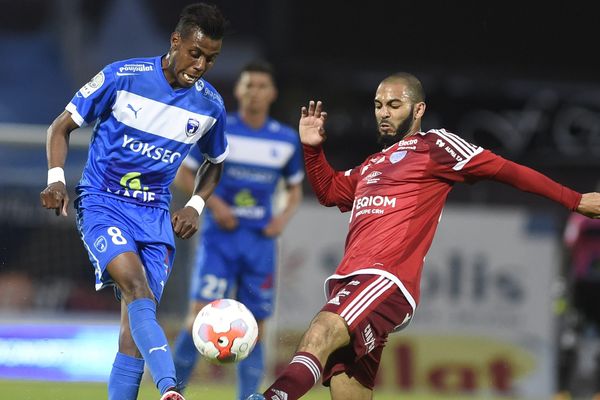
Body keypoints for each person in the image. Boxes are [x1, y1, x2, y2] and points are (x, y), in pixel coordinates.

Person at [246, 72, 600, 400]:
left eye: (394, 105)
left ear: (418, 109)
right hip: (352, 280)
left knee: (320, 331)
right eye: (378, 105)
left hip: (385, 280)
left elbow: (506, 170)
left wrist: (574, 199)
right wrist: (312, 148)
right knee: (347, 389)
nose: (384, 113)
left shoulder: (436, 146)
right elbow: (331, 192)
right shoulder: (373, 163)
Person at [39, 3, 229, 400]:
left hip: (155, 215)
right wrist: (56, 179)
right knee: (136, 287)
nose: (200, 65)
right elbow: (61, 127)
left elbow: (216, 162)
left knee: (131, 337)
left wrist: (195, 204)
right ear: (175, 41)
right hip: (102, 202)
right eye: (195, 53)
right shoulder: (122, 77)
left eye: (210, 59)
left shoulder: (210, 105)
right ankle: (170, 389)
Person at [171, 60, 304, 400]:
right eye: (249, 85)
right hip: (219, 239)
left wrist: (282, 218)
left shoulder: (286, 140)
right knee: (199, 317)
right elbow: (184, 173)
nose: (254, 91)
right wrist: (214, 206)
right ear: (239, 90)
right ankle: (173, 391)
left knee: (257, 326)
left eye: (262, 86)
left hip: (260, 243)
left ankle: (248, 397)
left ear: (272, 93)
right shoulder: (220, 128)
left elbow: (294, 189)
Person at [555, 209, 600, 400]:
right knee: (570, 339)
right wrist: (562, 280)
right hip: (581, 288)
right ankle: (562, 392)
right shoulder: (582, 217)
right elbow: (568, 248)